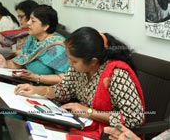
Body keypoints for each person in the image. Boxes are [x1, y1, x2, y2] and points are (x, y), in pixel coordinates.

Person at [14, 27, 145, 139]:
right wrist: (37, 90)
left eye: (74, 61)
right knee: (35, 128)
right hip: (83, 123)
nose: (69, 63)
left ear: (93, 61)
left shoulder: (116, 73)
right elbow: (64, 89)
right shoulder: (80, 67)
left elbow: (134, 118)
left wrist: (88, 112)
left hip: (109, 134)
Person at [0, 5, 70, 85]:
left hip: (47, 92)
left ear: (45, 26)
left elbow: (64, 78)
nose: (28, 23)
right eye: (29, 19)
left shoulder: (57, 47)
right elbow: (23, 61)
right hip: (28, 85)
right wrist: (5, 63)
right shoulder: (32, 38)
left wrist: (37, 77)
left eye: (33, 21)